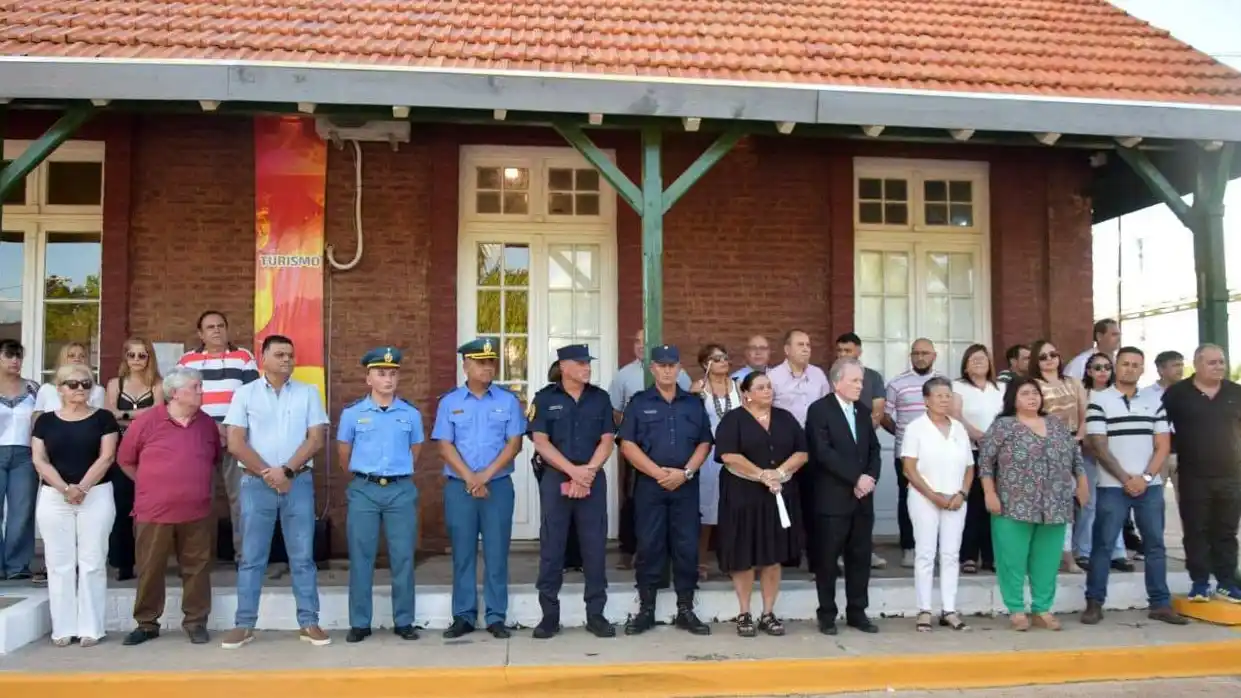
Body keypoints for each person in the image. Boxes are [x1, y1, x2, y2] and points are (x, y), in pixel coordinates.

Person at [221, 335, 331, 649]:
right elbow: (236, 443)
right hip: (256, 485)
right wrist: (269, 474)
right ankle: (244, 624)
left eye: (290, 355)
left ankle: (309, 622)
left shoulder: (309, 393)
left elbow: (315, 440)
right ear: (263, 358)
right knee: (252, 557)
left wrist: (287, 472)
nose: (287, 360)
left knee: (303, 557)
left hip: (297, 483)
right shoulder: (244, 394)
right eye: (280, 354)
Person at [1081, 347, 1186, 626]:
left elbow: (1163, 444)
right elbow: (1098, 447)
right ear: (1117, 366)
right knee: (1103, 545)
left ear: (1142, 370)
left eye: (1135, 365)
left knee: (1155, 545)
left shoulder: (1155, 401)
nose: (1129, 368)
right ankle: (1094, 603)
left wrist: (1146, 478)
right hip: (1112, 486)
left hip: (1148, 486)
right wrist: (1127, 479)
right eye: (1125, 364)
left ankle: (1160, 604)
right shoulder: (1098, 400)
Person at [118, 367, 220, 646]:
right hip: (154, 512)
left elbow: (212, 460)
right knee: (150, 568)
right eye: (195, 387)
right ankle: (147, 623)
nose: (201, 391)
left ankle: (196, 622)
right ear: (175, 393)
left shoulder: (207, 424)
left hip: (197, 511)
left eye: (201, 386)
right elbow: (125, 459)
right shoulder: (147, 421)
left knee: (197, 568)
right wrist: (149, 485)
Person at [979, 376, 1088, 631]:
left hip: (1055, 503)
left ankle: (1042, 608)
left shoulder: (1056, 424)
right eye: (1025, 393)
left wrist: (1082, 484)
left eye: (1035, 393)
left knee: (1047, 560)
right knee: (1012, 559)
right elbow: (985, 462)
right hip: (1012, 504)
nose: (1032, 397)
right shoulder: (1003, 426)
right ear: (1013, 398)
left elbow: (1075, 457)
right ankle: (1016, 610)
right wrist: (989, 493)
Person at [618, 344, 713, 636]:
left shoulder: (693, 403)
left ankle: (686, 608)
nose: (668, 370)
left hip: (685, 484)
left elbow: (704, 442)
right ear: (653, 369)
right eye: (662, 365)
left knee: (686, 546)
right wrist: (658, 473)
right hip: (651, 485)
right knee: (649, 545)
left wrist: (685, 473)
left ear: (679, 369)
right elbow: (627, 444)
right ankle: (646, 609)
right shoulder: (638, 402)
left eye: (672, 365)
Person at [433, 338, 525, 639]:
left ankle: (496, 616)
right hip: (460, 488)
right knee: (463, 553)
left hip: (496, 486)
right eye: (480, 362)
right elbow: (445, 446)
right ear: (466, 366)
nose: (487, 367)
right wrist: (471, 479)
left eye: (491, 362)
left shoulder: (507, 401)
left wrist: (484, 476)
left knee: (497, 553)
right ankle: (463, 615)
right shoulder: (450, 402)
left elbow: (514, 444)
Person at [529, 344, 616, 639]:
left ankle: (596, 614)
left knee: (594, 546)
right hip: (556, 478)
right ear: (563, 366)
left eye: (588, 363)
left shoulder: (600, 398)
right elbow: (540, 441)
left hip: (591, 477)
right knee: (553, 546)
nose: (587, 368)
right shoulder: (544, 398)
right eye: (580, 363)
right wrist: (573, 471)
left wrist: (587, 472)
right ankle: (549, 616)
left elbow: (607, 440)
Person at [337, 347, 423, 643]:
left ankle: (404, 621)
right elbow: (344, 455)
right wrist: (367, 476)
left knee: (403, 557)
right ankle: (360, 622)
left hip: (400, 489)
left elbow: (416, 451)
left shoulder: (410, 413)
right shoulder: (352, 414)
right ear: (368, 378)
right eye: (381, 373)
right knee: (361, 558)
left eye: (393, 373)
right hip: (365, 489)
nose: (388, 379)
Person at [30, 363, 120, 647]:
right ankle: (63, 629)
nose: (80, 389)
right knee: (59, 564)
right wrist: (65, 488)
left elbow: (106, 457)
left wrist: (81, 488)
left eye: (86, 384)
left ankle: (91, 628)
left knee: (92, 561)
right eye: (73, 384)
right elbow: (39, 460)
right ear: (59, 388)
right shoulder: (45, 421)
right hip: (54, 498)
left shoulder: (104, 419)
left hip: (96, 495)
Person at [714, 371, 806, 637]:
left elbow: (802, 452)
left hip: (777, 494)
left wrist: (778, 473)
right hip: (742, 494)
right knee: (743, 555)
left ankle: (768, 613)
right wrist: (761, 474)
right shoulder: (734, 420)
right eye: (761, 387)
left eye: (769, 387)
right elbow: (728, 454)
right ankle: (744, 613)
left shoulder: (785, 418)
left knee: (772, 555)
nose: (768, 391)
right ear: (746, 393)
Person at [176, 310, 261, 563]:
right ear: (200, 334)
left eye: (221, 325)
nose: (216, 330)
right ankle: (197, 560)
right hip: (198, 438)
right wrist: (212, 427)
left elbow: (252, 398)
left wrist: (231, 427)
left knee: (242, 500)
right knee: (199, 499)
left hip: (236, 438)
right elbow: (179, 400)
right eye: (210, 327)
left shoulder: (243, 357)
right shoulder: (187, 362)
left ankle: (244, 558)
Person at [805, 358, 881, 635]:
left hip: (862, 498)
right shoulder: (819, 410)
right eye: (855, 381)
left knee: (860, 557)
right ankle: (827, 614)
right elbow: (823, 453)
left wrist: (870, 478)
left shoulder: (862, 412)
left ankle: (857, 612)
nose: (861, 386)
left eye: (861, 381)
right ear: (837, 382)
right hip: (832, 498)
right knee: (827, 559)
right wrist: (855, 478)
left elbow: (874, 449)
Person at [1161, 343, 1241, 603]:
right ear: (1197, 365)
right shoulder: (1177, 394)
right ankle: (1200, 582)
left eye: (1221, 362)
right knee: (1196, 529)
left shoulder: (1235, 392)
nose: (1219, 367)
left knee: (1226, 530)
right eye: (1212, 362)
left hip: (1231, 475)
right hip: (1193, 475)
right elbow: (1161, 428)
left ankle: (1227, 582)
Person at [609, 329, 690, 570]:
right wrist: (633, 431)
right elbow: (615, 410)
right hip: (637, 447)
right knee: (633, 498)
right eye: (637, 341)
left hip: (672, 448)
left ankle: (668, 554)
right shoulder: (624, 375)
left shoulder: (680, 375)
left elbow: (685, 402)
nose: (640, 346)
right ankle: (630, 549)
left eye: (646, 342)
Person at [903, 377, 974, 632]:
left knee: (951, 554)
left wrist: (962, 494)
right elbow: (909, 469)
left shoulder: (958, 428)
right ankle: (924, 609)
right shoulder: (916, 428)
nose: (945, 400)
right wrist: (934, 496)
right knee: (925, 553)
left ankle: (949, 609)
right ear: (926, 400)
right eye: (939, 395)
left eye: (948, 395)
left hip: (955, 500)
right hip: (925, 498)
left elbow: (969, 467)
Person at [104, 337, 163, 582]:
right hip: (121, 450)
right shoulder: (114, 383)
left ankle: (150, 562)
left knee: (153, 508)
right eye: (132, 355)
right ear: (125, 358)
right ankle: (123, 562)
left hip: (152, 450)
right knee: (122, 506)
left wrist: (126, 414)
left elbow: (158, 414)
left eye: (142, 355)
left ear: (150, 357)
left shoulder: (159, 384)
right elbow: (110, 415)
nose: (137, 360)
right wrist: (140, 415)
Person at [882, 338, 944, 568]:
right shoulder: (897, 383)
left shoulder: (943, 383)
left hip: (938, 453)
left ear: (934, 356)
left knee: (937, 496)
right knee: (907, 499)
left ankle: (934, 547)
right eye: (916, 353)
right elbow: (885, 415)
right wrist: (901, 433)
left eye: (925, 353)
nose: (920, 357)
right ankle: (909, 547)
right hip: (907, 454)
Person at [1029, 339, 1088, 573]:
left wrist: (1077, 440)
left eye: (1053, 354)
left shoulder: (1073, 383)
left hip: (1071, 444)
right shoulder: (1032, 384)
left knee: (1066, 505)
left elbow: (1085, 414)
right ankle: (1039, 557)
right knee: (1038, 504)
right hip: (1040, 447)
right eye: (1043, 356)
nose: (1049, 359)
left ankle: (1067, 557)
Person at [1074, 352, 1130, 572]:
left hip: (1114, 457)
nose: (1103, 371)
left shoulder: (1119, 394)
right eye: (1097, 367)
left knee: (1115, 505)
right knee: (1088, 504)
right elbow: (1081, 425)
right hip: (1089, 454)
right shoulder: (1083, 394)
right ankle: (1083, 551)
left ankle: (1117, 551)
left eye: (1107, 367)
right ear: (1088, 371)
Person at [690, 343, 740, 579]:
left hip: (736, 454)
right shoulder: (699, 388)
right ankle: (701, 561)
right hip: (708, 455)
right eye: (716, 358)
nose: (723, 362)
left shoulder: (739, 388)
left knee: (734, 510)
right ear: (705, 363)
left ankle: (732, 561)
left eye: (725, 357)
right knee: (706, 509)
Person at [951, 344, 1002, 574]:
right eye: (973, 359)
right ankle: (969, 555)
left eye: (982, 359)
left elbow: (1009, 415)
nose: (978, 362)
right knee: (973, 504)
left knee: (995, 504)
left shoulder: (1000, 387)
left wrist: (995, 439)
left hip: (1000, 452)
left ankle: (992, 556)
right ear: (965, 364)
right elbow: (955, 414)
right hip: (971, 451)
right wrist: (978, 435)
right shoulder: (958, 386)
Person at [0, 339, 39, 581]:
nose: (15, 360)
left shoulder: (34, 388)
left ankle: (17, 566)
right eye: (9, 355)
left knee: (21, 511)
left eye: (19, 356)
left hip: (25, 455)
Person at [1146, 350, 1185, 495]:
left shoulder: (1189, 393)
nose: (1180, 369)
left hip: (1183, 453)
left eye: (1181, 364)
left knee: (1188, 501)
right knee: (1153, 498)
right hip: (1155, 453)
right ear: (1161, 369)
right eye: (1175, 365)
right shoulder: (1146, 394)